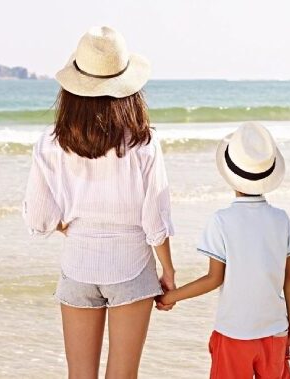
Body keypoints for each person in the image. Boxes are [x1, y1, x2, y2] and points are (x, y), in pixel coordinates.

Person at [22, 26, 176, 378]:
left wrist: (77, 225)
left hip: (78, 265)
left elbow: (40, 219)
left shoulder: (50, 142)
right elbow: (155, 218)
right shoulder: (143, 142)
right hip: (132, 266)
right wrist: (168, 270)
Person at [157, 122, 290, 379]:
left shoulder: (222, 220)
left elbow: (214, 278)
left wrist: (171, 297)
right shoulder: (281, 219)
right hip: (275, 332)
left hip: (235, 332)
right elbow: (289, 280)